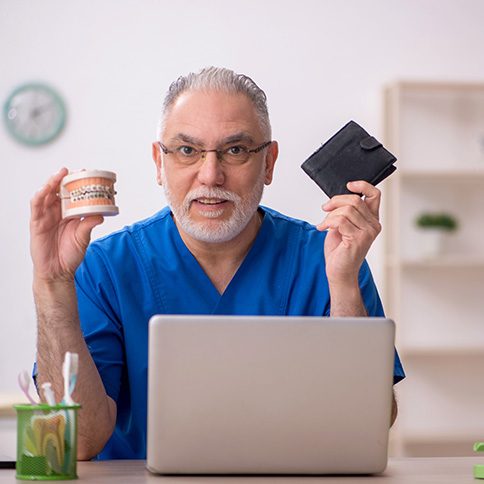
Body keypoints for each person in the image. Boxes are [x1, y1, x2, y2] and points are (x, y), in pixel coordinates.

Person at [30, 66, 405, 461]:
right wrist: (51, 283)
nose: (211, 175)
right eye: (188, 150)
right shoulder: (104, 267)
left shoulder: (330, 258)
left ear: (269, 162)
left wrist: (344, 283)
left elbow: (367, 423)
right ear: (159, 162)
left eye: (236, 150)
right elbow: (77, 442)